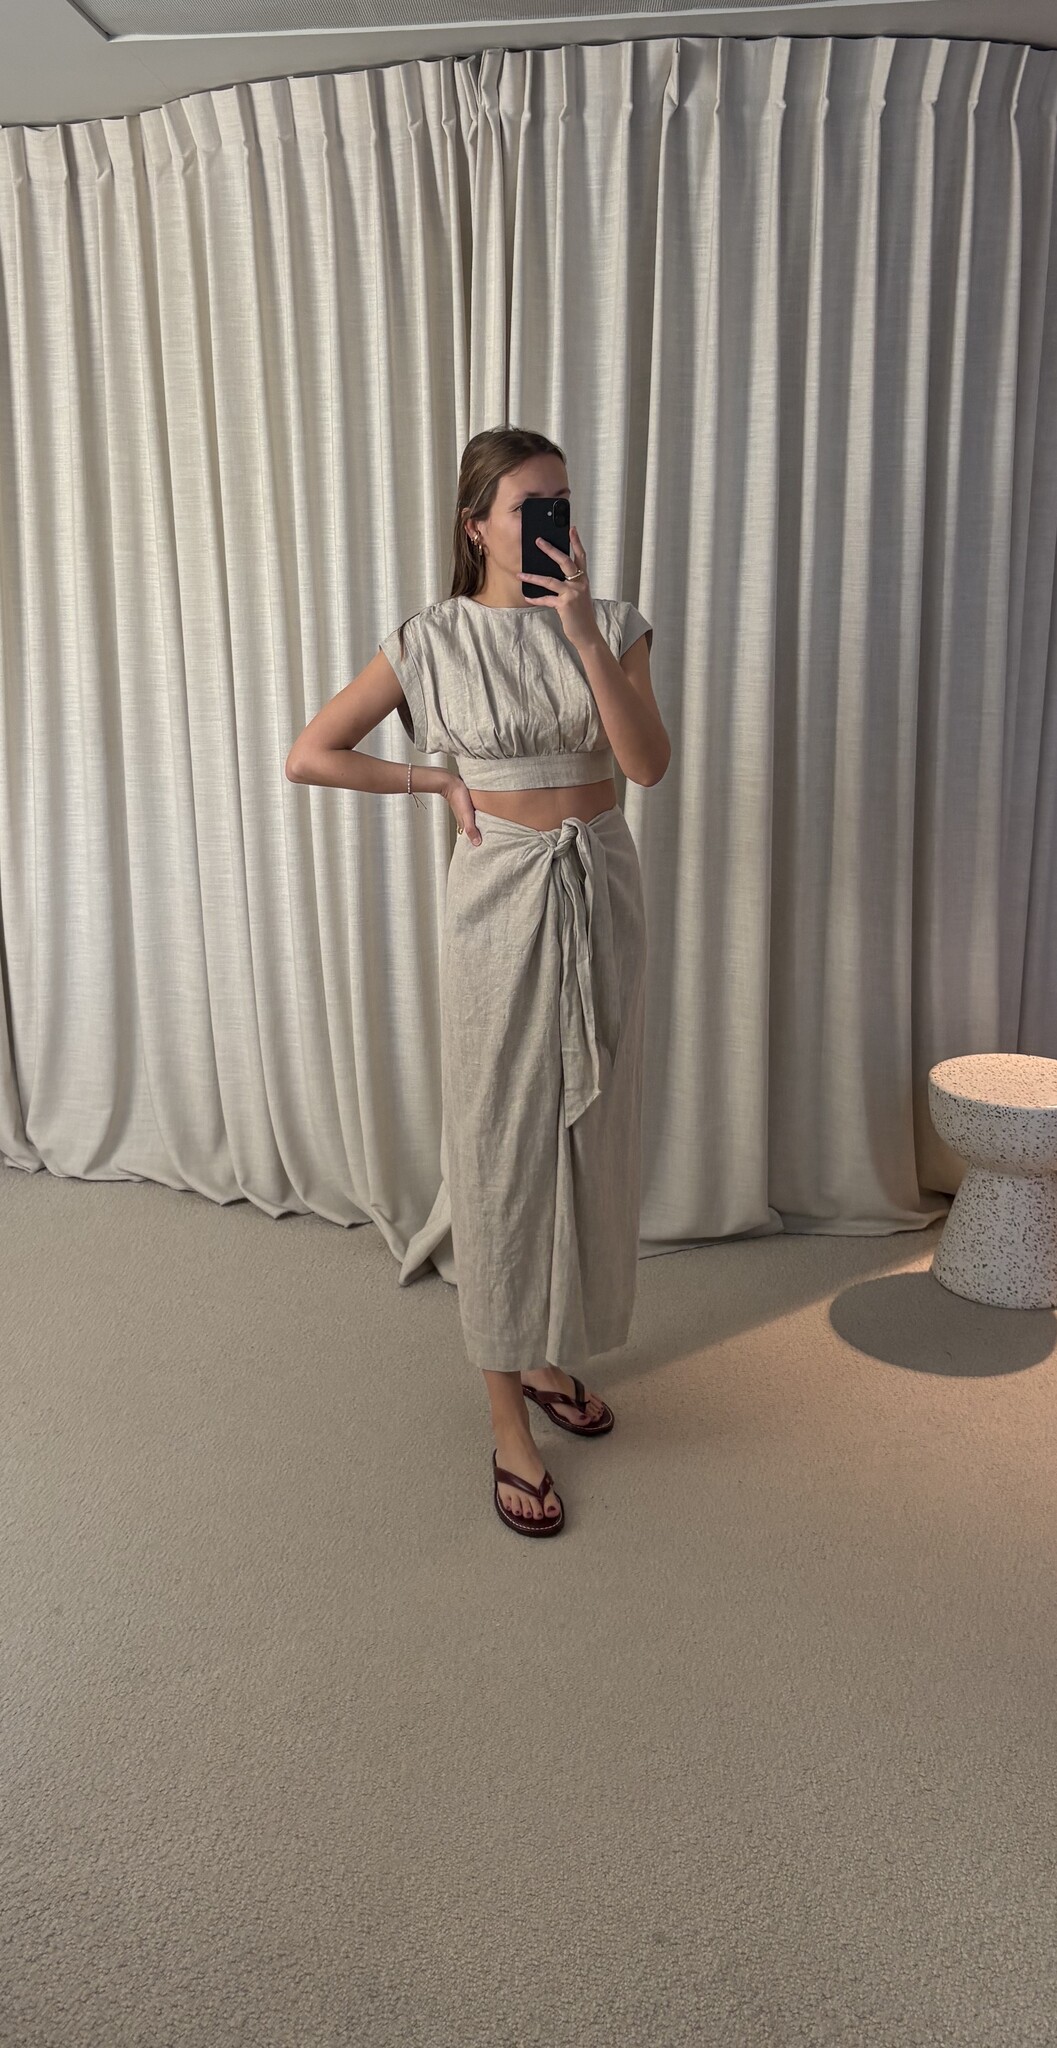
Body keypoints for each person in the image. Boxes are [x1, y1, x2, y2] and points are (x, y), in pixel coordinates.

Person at [286, 427, 670, 1537]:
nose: (557, 523)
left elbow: (644, 765)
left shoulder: (616, 624)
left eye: (565, 503)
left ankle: (547, 1357)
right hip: (497, 897)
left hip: (600, 891)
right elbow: (311, 751)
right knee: (499, 1143)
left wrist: (582, 633)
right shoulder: (432, 639)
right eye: (530, 506)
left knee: (589, 1137)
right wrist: (431, 783)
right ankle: (506, 1416)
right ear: (477, 526)